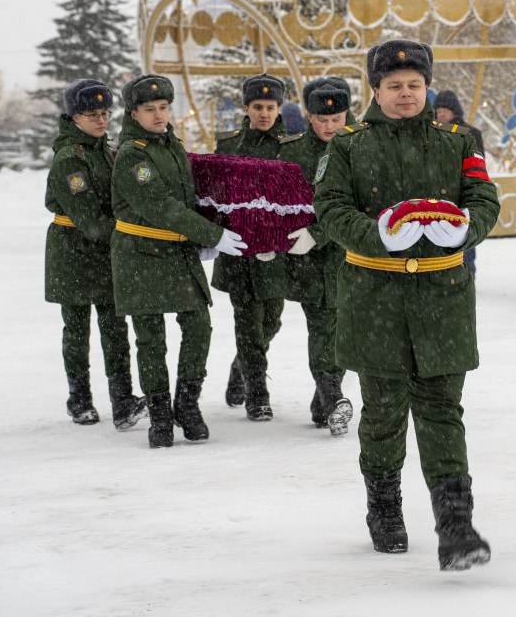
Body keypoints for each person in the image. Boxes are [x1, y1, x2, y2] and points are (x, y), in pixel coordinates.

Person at [314, 38, 499, 571]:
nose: (405, 94)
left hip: (442, 300)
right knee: (385, 414)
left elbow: (484, 200)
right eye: (394, 86)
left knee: (444, 410)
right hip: (376, 299)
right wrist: (376, 236)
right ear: (375, 89)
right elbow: (329, 207)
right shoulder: (349, 146)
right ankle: (385, 505)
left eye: (414, 85)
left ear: (427, 86)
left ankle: (456, 525)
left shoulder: (458, 142)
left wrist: (466, 228)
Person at [110, 74, 248, 448]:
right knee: (150, 338)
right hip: (140, 254)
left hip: (177, 252)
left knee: (198, 325)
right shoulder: (133, 154)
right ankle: (159, 416)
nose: (159, 115)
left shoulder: (170, 143)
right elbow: (159, 205)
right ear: (134, 113)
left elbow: (187, 197)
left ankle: (186, 404)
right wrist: (211, 234)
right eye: (150, 109)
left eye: (163, 108)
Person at [45, 78, 147, 429]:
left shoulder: (104, 149)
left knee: (115, 326)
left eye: (105, 114)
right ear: (74, 117)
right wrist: (135, 238)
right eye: (92, 115)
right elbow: (88, 219)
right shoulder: (69, 159)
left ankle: (123, 401)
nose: (102, 121)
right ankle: (80, 400)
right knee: (76, 328)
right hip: (73, 250)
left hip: (105, 250)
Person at [278, 76, 354, 433]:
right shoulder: (292, 153)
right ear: (309, 116)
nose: (329, 126)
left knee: (342, 330)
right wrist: (271, 241)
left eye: (336, 119)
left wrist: (319, 232)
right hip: (307, 260)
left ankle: (323, 399)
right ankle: (333, 396)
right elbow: (278, 204)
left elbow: (357, 206)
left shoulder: (358, 147)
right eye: (322, 120)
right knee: (322, 327)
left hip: (348, 256)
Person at [212, 73, 289, 420]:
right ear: (246, 108)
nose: (264, 113)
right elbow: (217, 198)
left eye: (270, 107)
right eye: (257, 107)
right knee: (247, 322)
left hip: (276, 254)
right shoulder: (228, 147)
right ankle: (258, 393)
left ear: (279, 108)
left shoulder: (291, 148)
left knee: (271, 320)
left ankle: (239, 367)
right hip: (240, 253)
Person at [433, 89, 485, 277]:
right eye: (438, 110)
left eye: (445, 109)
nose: (441, 113)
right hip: (437, 195)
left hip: (463, 194)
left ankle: (467, 275)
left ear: (454, 111)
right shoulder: (431, 133)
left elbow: (478, 167)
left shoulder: (470, 133)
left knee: (465, 238)